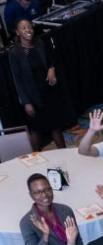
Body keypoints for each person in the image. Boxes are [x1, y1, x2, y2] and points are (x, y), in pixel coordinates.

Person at [8, 19, 63, 150]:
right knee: (36, 130)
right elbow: (18, 80)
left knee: (55, 126)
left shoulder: (39, 43)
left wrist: (51, 69)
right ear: (18, 32)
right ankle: (36, 159)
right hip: (32, 97)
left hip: (48, 92)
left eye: (29, 27)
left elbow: (51, 59)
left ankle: (65, 153)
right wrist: (26, 102)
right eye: (23, 28)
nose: (28, 30)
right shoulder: (15, 53)